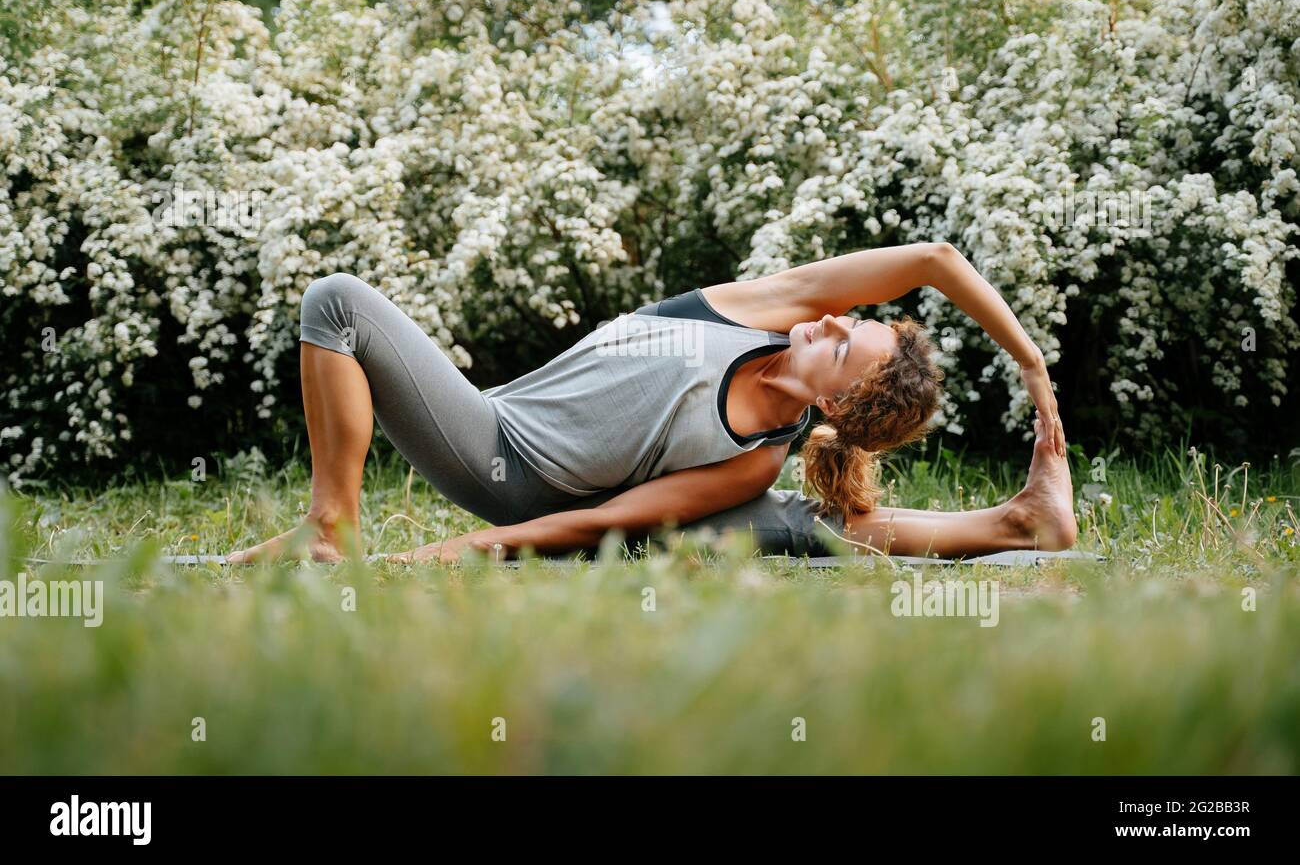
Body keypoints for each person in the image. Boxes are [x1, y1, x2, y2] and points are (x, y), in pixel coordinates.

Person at [226, 242, 1076, 565]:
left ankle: (1019, 523)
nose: (831, 319)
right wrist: (1033, 365)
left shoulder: (749, 457)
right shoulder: (770, 307)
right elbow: (933, 259)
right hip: (487, 424)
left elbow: (605, 522)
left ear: (841, 400)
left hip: (523, 480)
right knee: (337, 304)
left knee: (791, 522)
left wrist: (464, 547)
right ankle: (327, 520)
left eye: (846, 344)